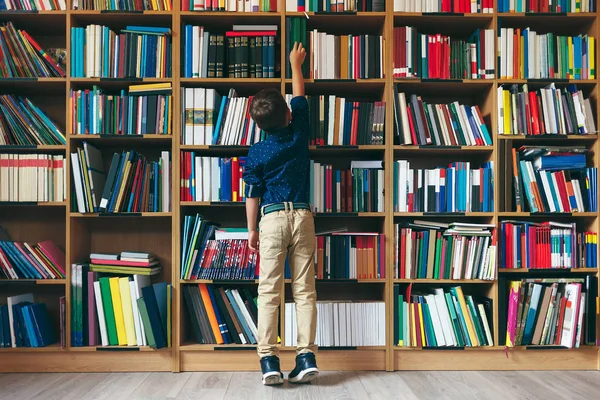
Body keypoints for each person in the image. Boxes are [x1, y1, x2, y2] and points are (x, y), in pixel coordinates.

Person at [243, 42, 318, 386]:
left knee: (268, 292)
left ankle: (268, 360)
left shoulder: (256, 152)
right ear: (288, 114)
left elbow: (252, 194)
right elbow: (299, 96)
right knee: (304, 291)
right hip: (302, 217)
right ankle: (305, 357)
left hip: (271, 219)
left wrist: (252, 231)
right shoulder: (299, 133)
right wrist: (295, 65)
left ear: (257, 124)